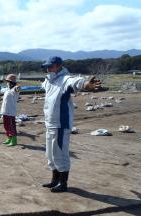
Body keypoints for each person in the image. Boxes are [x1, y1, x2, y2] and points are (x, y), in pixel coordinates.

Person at [41, 56, 101, 192]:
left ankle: (63, 184)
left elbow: (76, 82)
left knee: (60, 154)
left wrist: (87, 85)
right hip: (50, 123)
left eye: (50, 66)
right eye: (47, 66)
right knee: (50, 154)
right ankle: (54, 180)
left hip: (60, 124)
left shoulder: (65, 79)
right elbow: (44, 86)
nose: (48, 68)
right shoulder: (49, 80)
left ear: (58, 65)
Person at [0, 74, 20, 146]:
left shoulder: (14, 89)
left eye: (8, 81)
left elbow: (17, 89)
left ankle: (14, 140)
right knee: (6, 126)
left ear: (12, 82)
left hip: (11, 111)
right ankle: (9, 138)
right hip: (5, 111)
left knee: (12, 126)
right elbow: (1, 90)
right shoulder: (7, 89)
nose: (7, 82)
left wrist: (17, 87)